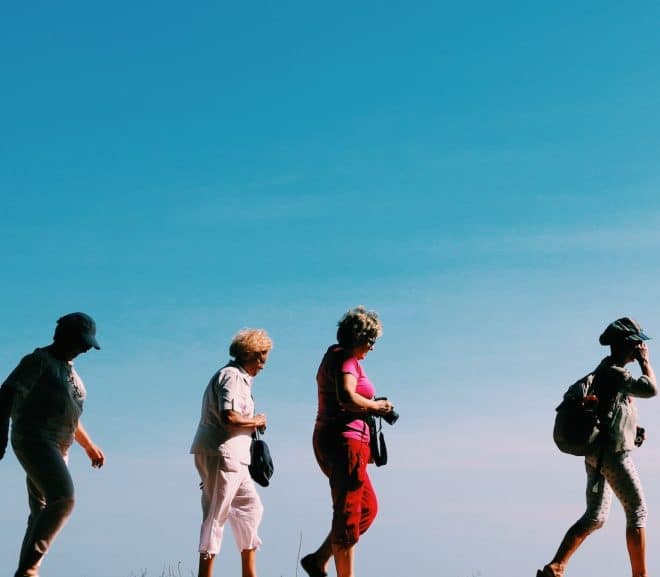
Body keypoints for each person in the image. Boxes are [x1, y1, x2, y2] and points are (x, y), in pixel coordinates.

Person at [537, 317, 657, 577]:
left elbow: (612, 411)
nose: (639, 348)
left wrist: (633, 430)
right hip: (613, 455)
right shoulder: (614, 372)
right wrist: (646, 363)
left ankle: (556, 567)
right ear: (627, 345)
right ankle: (641, 575)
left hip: (598, 454)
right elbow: (650, 389)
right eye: (637, 344)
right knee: (638, 512)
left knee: (595, 516)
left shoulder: (607, 373)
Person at [0, 312, 106, 577]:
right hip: (34, 439)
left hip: (60, 446)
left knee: (41, 512)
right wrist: (0, 434)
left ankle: (25, 571)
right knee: (64, 497)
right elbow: (8, 392)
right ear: (63, 336)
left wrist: (88, 446)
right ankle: (28, 570)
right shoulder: (38, 361)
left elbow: (71, 415)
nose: (84, 349)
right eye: (81, 342)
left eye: (88, 345)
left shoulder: (72, 374)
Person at [301, 306, 396, 577]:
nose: (372, 347)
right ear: (358, 337)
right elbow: (346, 397)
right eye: (371, 341)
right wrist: (376, 408)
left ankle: (318, 560)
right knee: (348, 513)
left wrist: (370, 406)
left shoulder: (334, 356)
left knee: (366, 508)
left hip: (340, 440)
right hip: (345, 442)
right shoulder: (345, 360)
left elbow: (348, 398)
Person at [190, 328, 272, 577]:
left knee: (251, 507)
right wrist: (255, 421)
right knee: (216, 514)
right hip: (223, 453)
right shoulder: (232, 377)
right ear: (248, 354)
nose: (262, 365)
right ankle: (205, 573)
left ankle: (249, 572)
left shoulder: (236, 377)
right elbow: (229, 417)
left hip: (234, 455)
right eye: (260, 358)